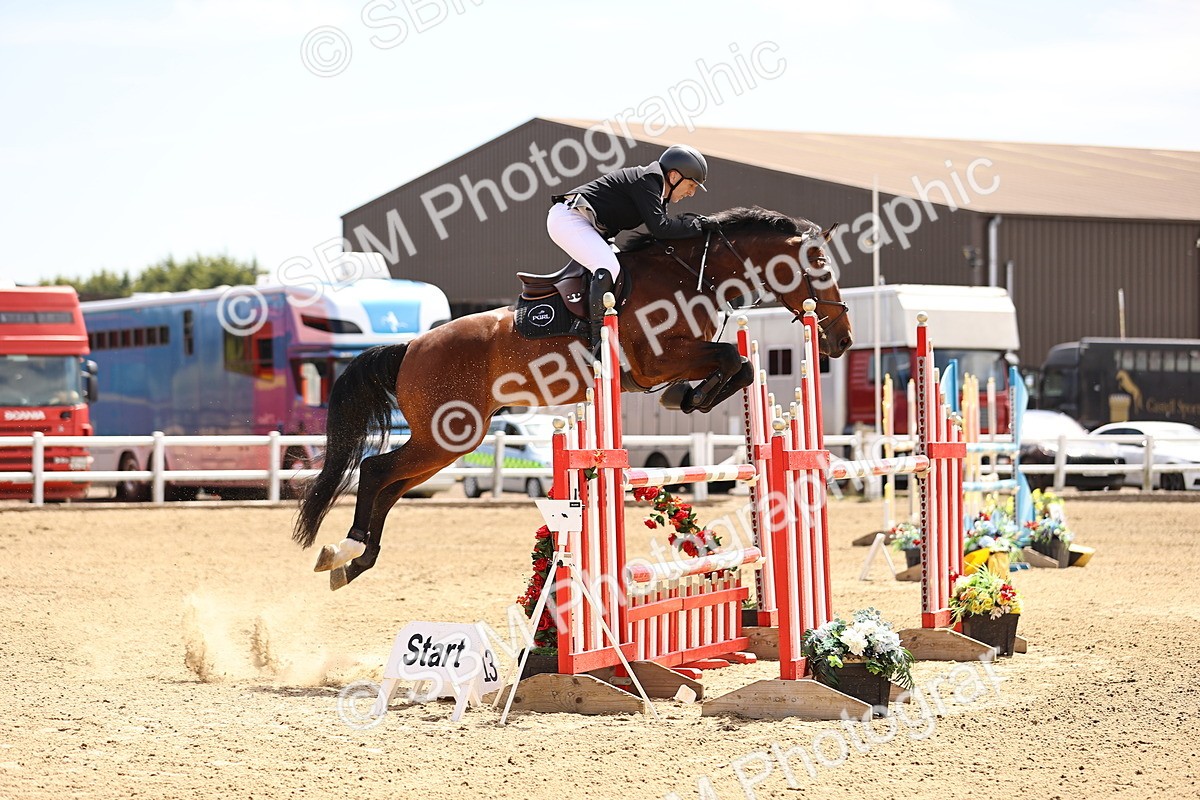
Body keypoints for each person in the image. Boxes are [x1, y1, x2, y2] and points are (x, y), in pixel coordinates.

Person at [547, 144, 719, 346]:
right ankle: (597, 339)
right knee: (608, 267)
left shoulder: (656, 189)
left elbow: (663, 235)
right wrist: (700, 224)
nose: (691, 193)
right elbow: (661, 229)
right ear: (674, 177)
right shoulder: (647, 181)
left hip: (588, 225)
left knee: (626, 272)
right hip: (570, 219)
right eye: (691, 185)